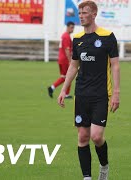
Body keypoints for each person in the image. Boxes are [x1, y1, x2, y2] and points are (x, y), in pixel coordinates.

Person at [57, 1, 120, 180]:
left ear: (94, 14)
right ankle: (87, 177)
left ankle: (104, 167)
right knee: (83, 137)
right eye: (80, 13)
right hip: (81, 95)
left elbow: (115, 66)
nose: (81, 16)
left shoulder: (108, 36)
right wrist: (64, 90)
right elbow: (73, 66)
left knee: (96, 136)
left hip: (101, 95)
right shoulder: (77, 39)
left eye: (85, 12)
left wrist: (116, 92)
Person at [48, 21, 75, 99]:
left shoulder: (65, 36)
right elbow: (67, 50)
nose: (72, 29)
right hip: (65, 60)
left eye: (73, 27)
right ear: (67, 27)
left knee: (64, 77)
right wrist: (70, 61)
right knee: (69, 76)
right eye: (71, 27)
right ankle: (66, 94)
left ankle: (52, 88)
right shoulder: (66, 36)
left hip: (61, 59)